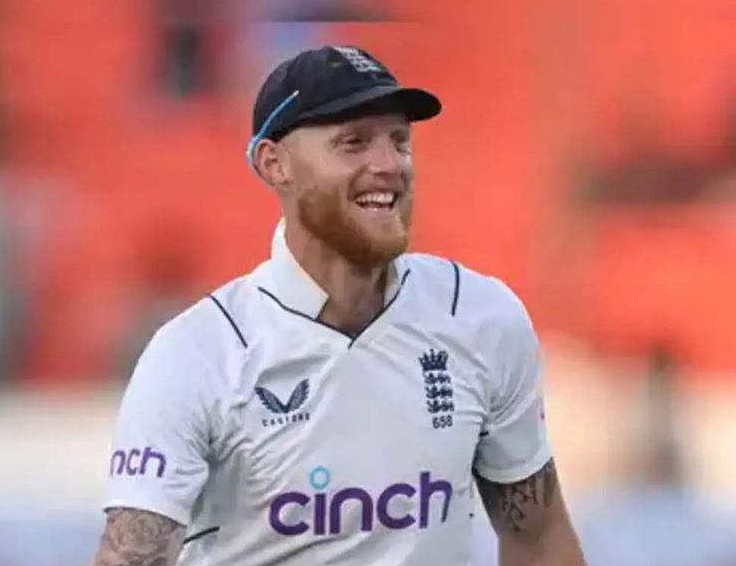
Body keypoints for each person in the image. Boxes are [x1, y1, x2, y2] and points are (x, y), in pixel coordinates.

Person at [91, 45, 586, 566]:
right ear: (274, 163)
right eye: (354, 142)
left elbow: (538, 536)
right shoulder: (199, 355)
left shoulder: (480, 317)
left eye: (399, 141)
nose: (389, 165)